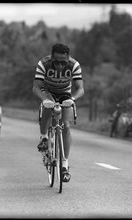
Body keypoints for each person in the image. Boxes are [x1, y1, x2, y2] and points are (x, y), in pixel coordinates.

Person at [32, 43, 84, 182]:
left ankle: (65, 166)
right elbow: (36, 87)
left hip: (65, 93)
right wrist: (43, 100)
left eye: (63, 63)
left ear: (68, 58)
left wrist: (72, 99)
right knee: (49, 107)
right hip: (47, 91)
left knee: (66, 126)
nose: (60, 66)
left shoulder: (74, 65)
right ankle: (44, 138)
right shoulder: (44, 64)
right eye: (56, 63)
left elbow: (80, 89)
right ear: (51, 58)